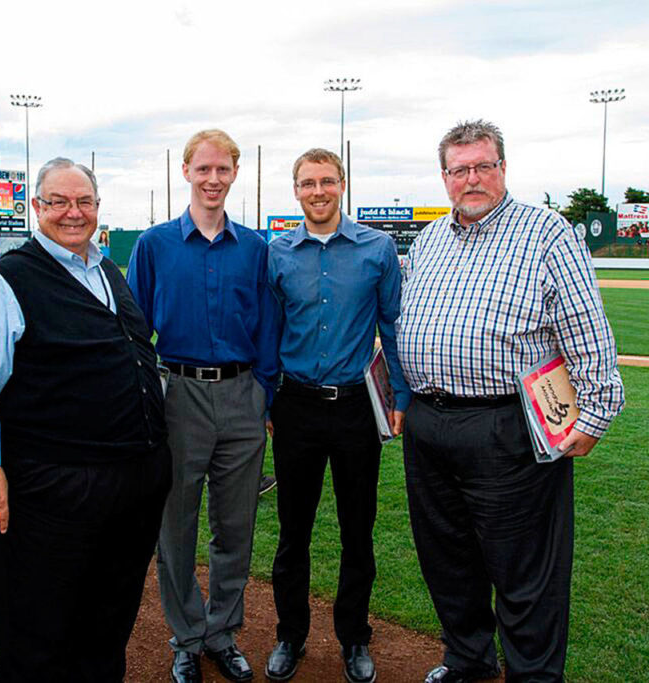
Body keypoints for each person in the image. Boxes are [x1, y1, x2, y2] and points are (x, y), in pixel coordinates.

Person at [396, 120, 624, 682]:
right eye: (459, 169)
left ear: (503, 167)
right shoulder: (429, 241)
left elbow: (588, 333)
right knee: (448, 562)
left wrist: (594, 416)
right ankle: (468, 661)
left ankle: (533, 677)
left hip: (511, 426)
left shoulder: (546, 233)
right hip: (430, 423)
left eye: (483, 166)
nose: (471, 178)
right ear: (444, 175)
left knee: (527, 576)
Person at [0, 158, 170, 682]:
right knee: (37, 629)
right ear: (37, 208)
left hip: (128, 484)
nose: (74, 213)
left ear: (97, 208)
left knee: (107, 621)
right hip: (50, 485)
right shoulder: (6, 282)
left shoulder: (106, 270)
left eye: (84, 202)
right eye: (60, 202)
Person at [127, 129, 279, 683]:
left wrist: (262, 391)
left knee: (235, 527)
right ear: (186, 172)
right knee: (177, 526)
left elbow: (267, 326)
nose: (213, 179)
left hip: (243, 395)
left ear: (235, 173)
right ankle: (187, 637)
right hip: (180, 395)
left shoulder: (256, 248)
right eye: (203, 169)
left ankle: (222, 632)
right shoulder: (154, 244)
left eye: (223, 170)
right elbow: (135, 330)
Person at [264, 148, 410, 683]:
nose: (318, 191)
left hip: (355, 409)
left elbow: (393, 328)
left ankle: (354, 638)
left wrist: (403, 398)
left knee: (358, 531)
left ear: (342, 184)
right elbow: (268, 332)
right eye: (307, 183)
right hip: (296, 406)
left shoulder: (377, 248)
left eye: (327, 181)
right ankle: (290, 635)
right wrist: (265, 400)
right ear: (296, 190)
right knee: (292, 533)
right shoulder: (276, 252)